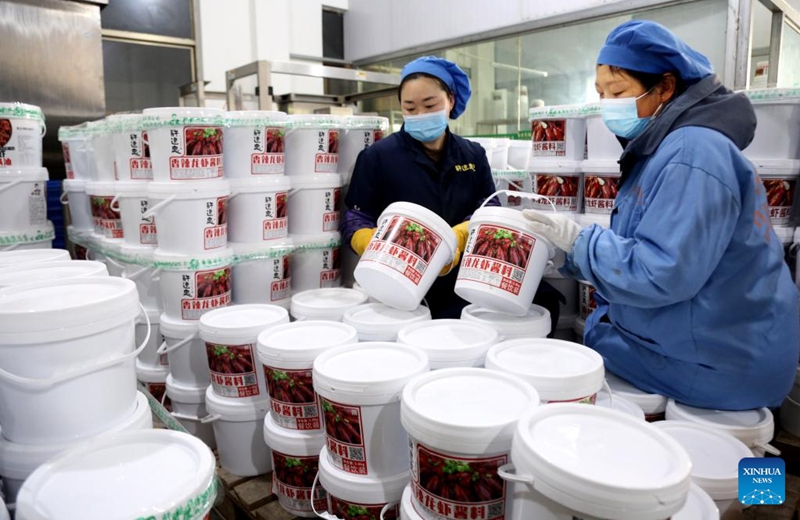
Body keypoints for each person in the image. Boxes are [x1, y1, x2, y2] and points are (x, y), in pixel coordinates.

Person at [524, 20, 799, 410]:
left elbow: (662, 272)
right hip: (716, 343)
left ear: (666, 87)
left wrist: (579, 240)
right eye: (601, 94)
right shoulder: (664, 148)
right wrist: (565, 256)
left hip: (723, 362)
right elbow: (648, 245)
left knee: (580, 362)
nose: (607, 106)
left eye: (618, 92)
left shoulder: (693, 152)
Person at [343, 56, 563, 322]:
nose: (420, 114)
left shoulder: (472, 154)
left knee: (542, 300)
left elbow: (489, 206)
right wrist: (368, 240)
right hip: (406, 273)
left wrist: (460, 236)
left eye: (430, 105)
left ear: (450, 100)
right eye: (410, 108)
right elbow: (356, 215)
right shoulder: (378, 157)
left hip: (466, 268)